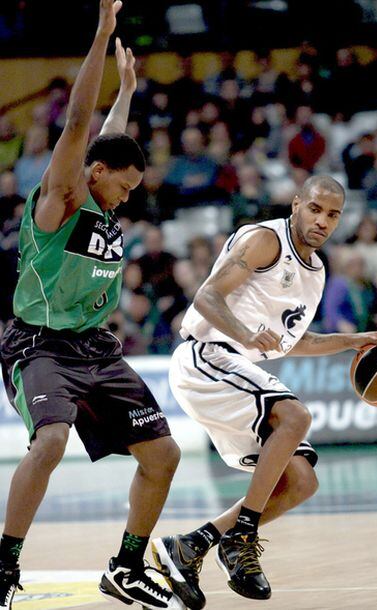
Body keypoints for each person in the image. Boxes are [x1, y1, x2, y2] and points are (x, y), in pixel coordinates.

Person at [0, 3, 182, 609]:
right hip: (40, 345)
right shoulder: (60, 200)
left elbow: (106, 138)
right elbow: (80, 124)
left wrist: (127, 90)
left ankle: (127, 568)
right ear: (95, 174)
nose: (128, 199)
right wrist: (102, 39)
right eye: (123, 186)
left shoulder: (103, 198)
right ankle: (2, 566)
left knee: (164, 455)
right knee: (49, 442)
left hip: (96, 348)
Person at [151, 174, 377, 610]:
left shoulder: (317, 273)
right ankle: (243, 537)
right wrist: (246, 332)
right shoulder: (266, 240)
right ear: (296, 204)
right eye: (315, 209)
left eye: (333, 214)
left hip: (233, 367)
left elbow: (293, 342)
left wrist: (352, 340)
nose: (322, 221)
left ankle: (190, 546)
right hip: (205, 356)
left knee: (301, 481)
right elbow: (207, 297)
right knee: (296, 416)